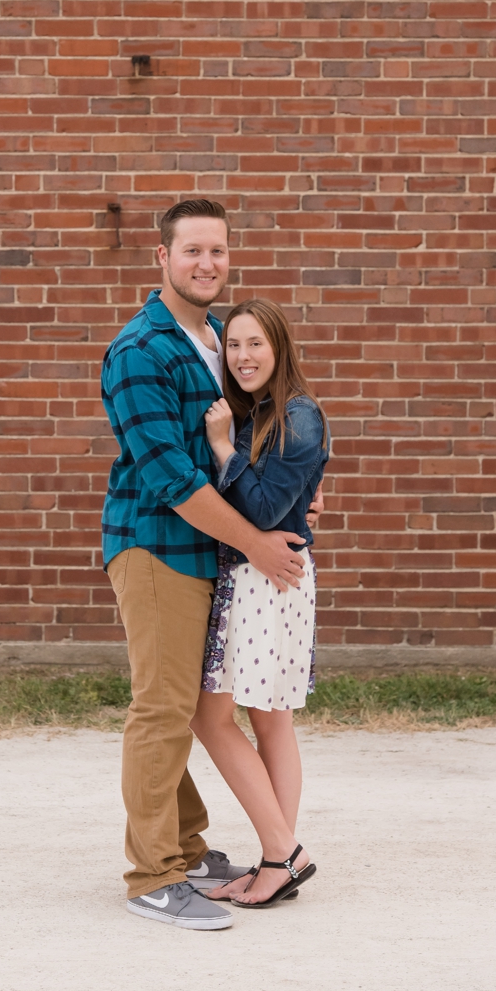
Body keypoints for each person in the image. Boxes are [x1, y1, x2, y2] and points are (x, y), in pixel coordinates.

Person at [103, 199, 307, 931]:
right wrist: (256, 542)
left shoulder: (220, 339)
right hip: (157, 545)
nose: (207, 263)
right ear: (162, 257)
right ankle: (153, 875)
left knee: (187, 708)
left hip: (210, 551)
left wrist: (288, 508)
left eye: (217, 251)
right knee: (161, 709)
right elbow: (170, 477)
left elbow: (250, 449)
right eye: (192, 251)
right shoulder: (140, 351)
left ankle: (185, 847)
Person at [191, 298, 331, 909]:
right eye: (236, 347)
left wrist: (221, 446)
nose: (244, 357)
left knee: (212, 714)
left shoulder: (295, 416)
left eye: (256, 345)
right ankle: (278, 856)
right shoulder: (270, 414)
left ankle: (283, 853)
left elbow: (266, 511)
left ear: (280, 350)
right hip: (267, 579)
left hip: (268, 582)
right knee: (271, 719)